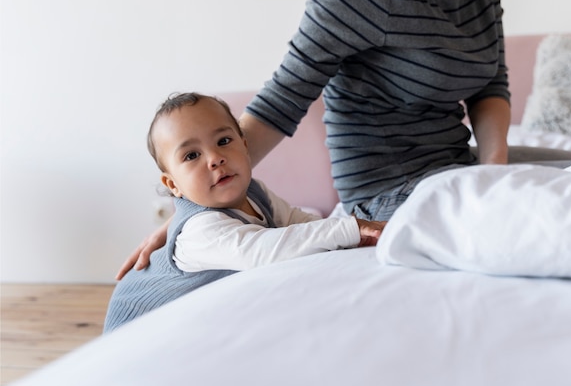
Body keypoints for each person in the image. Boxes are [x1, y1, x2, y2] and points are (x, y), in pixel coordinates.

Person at [117, 0, 511, 279]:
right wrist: (192, 207)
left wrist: (493, 171)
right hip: (388, 185)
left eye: (220, 146)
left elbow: (492, 83)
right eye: (190, 156)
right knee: (534, 200)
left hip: (457, 160)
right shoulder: (350, 3)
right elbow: (279, 103)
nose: (214, 156)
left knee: (569, 174)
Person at [104, 93, 385, 332]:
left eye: (224, 141)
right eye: (191, 156)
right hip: (141, 328)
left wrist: (351, 236)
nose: (215, 159)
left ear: (245, 145)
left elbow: (296, 223)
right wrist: (348, 228)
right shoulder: (199, 231)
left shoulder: (254, 191)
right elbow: (263, 250)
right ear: (173, 184)